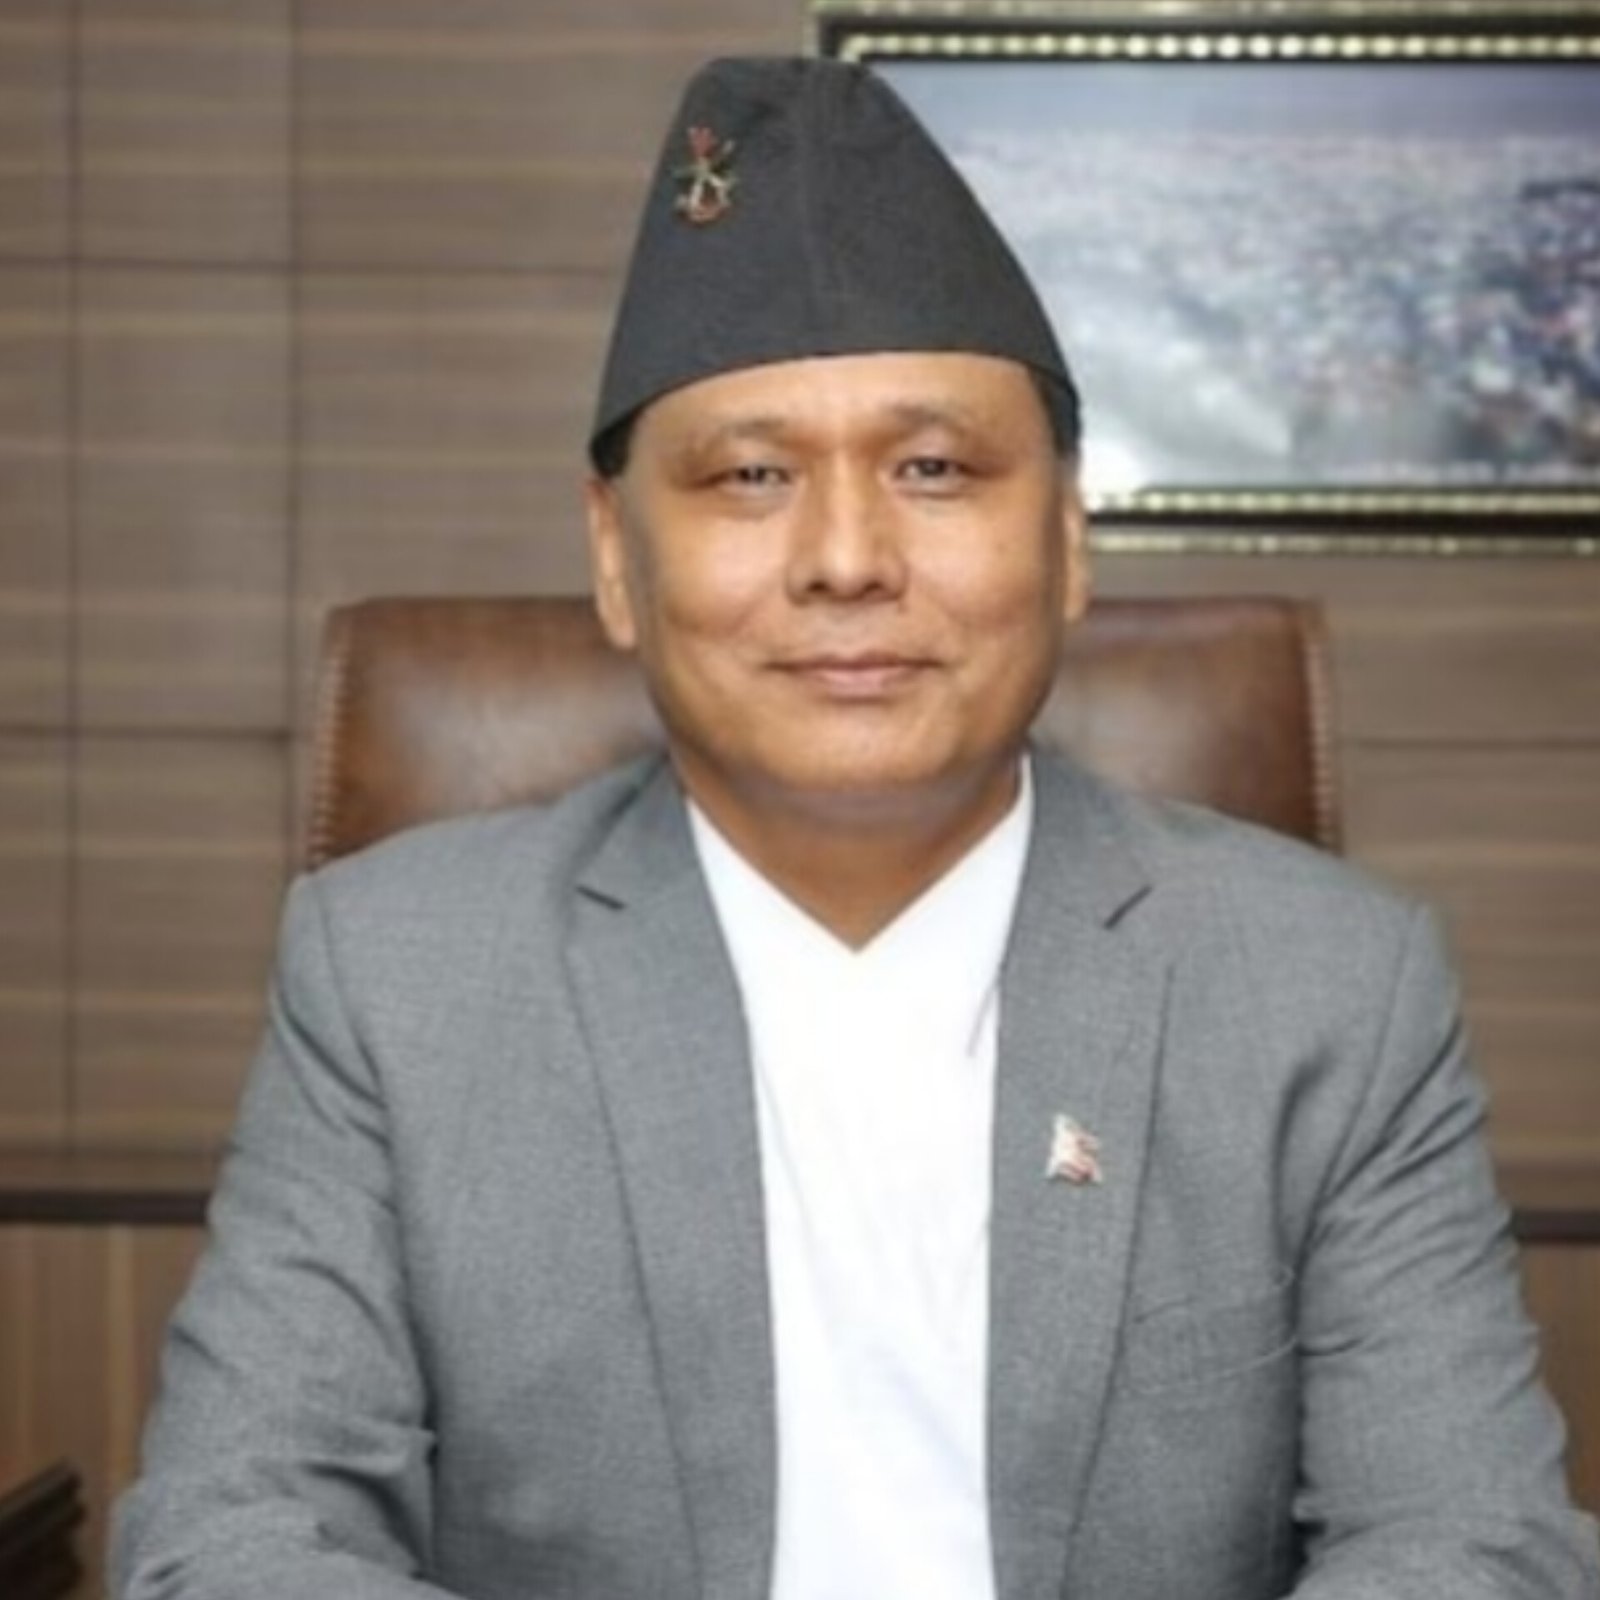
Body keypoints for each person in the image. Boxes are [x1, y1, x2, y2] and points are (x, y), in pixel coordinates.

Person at [112, 55, 1598, 1600]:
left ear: (1068, 539)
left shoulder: (1328, 988)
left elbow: (1468, 1542)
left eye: (934, 470)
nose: (845, 557)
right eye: (753, 475)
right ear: (615, 557)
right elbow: (236, 1535)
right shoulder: (401, 977)